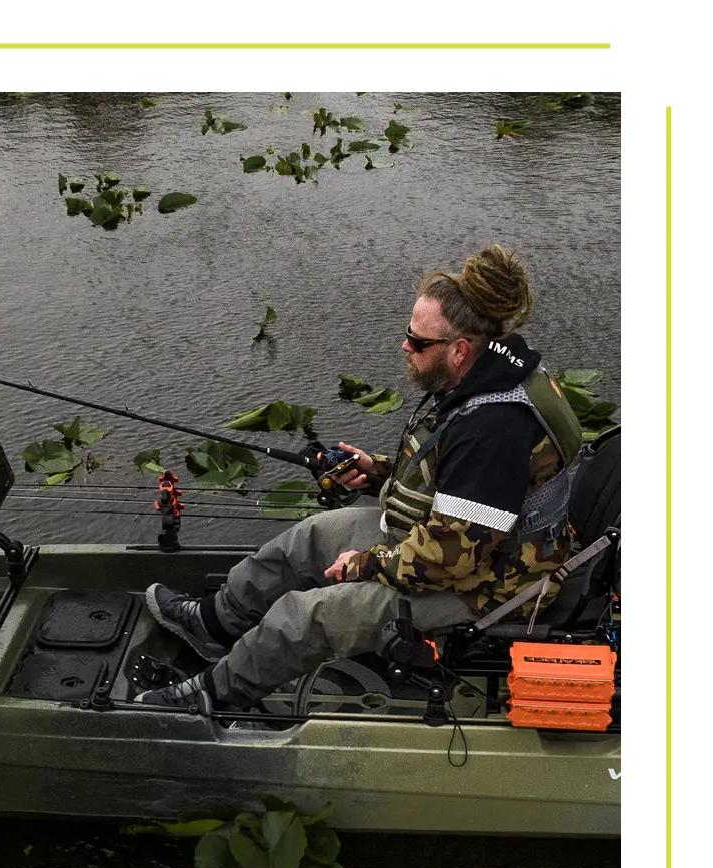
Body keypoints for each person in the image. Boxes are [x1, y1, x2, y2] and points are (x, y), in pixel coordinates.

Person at [136, 244, 584, 713]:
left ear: (459, 349)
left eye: (417, 341)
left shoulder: (494, 428)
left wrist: (365, 564)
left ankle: (213, 696)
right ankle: (215, 622)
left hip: (490, 587)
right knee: (307, 538)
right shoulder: (483, 376)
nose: (404, 346)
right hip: (460, 550)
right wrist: (378, 473)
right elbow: (457, 485)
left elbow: (448, 558)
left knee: (309, 615)